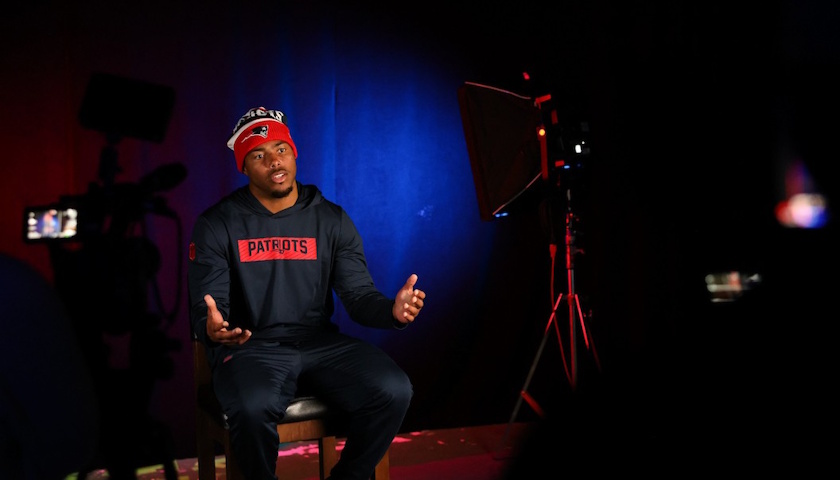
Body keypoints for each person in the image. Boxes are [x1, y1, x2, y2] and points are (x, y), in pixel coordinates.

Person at [188, 106, 426, 480]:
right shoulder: (217, 224)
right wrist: (213, 327)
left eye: (281, 149)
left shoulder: (331, 219)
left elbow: (359, 296)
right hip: (252, 348)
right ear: (244, 167)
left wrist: (392, 312)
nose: (274, 161)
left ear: (294, 153)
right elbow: (208, 306)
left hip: (318, 343)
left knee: (394, 389)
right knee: (252, 406)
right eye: (258, 155)